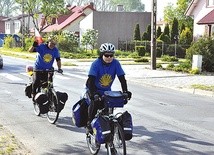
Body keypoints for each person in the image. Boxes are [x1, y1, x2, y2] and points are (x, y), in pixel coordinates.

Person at [85, 42, 132, 133]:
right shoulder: (96, 64)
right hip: (92, 88)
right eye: (106, 55)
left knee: (108, 110)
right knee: (94, 104)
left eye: (111, 55)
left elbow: (122, 79)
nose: (109, 58)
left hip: (106, 90)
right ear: (102, 55)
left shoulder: (116, 63)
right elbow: (91, 80)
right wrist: (93, 94)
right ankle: (89, 123)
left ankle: (108, 135)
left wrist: (125, 91)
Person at [28, 35, 63, 100]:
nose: (52, 45)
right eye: (51, 43)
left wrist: (59, 68)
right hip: (38, 68)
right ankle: (33, 93)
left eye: (54, 44)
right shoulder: (42, 47)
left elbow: (58, 59)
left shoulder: (55, 50)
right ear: (48, 42)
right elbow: (30, 51)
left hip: (48, 69)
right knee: (36, 82)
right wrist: (33, 45)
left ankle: (49, 97)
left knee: (49, 84)